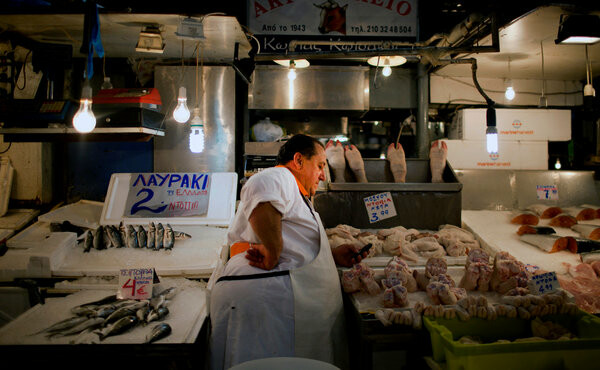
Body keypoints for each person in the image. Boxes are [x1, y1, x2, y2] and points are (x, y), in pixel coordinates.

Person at [209, 134, 367, 370]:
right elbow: (261, 188)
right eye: (320, 166)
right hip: (274, 309)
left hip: (281, 307)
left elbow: (296, 242)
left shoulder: (296, 193)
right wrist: (273, 251)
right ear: (298, 160)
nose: (323, 175)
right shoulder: (279, 175)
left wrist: (331, 254)